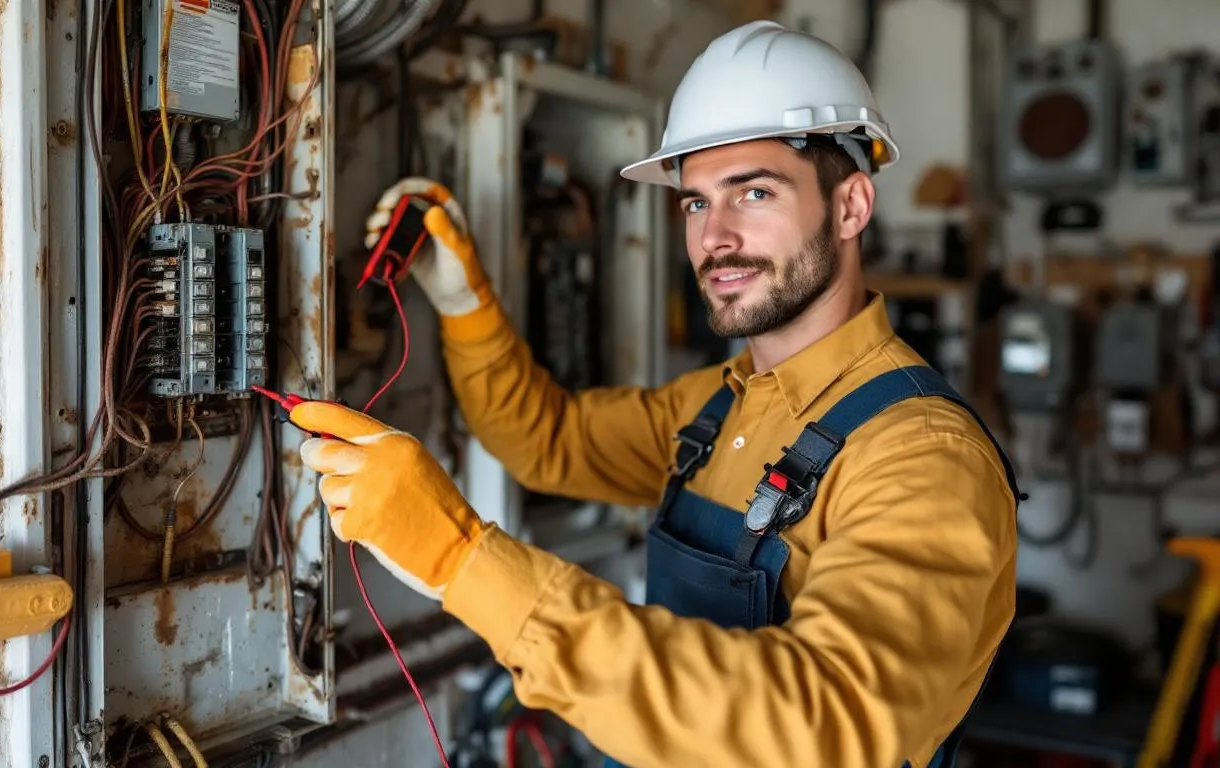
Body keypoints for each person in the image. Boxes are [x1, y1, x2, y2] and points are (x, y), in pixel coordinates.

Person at [292, 19, 1021, 768]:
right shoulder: (720, 404)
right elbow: (547, 440)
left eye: (756, 193)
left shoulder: (923, 458)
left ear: (851, 207)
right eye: (696, 203)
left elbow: (822, 723)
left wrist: (463, 560)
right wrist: (466, 307)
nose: (716, 237)